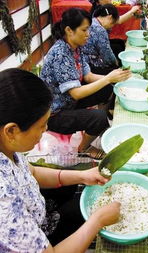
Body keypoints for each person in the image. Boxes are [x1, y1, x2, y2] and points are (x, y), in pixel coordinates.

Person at [0, 68, 121, 253]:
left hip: (41, 215)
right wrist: (98, 221)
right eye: (41, 126)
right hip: (42, 240)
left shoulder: (7, 148)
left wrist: (82, 176)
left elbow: (32, 172)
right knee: (85, 214)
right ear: (11, 131)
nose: (46, 129)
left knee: (77, 194)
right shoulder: (3, 202)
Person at [40, 8, 131, 159]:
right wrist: (108, 78)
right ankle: (84, 148)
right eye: (84, 30)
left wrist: (113, 78)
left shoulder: (76, 47)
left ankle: (94, 128)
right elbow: (76, 93)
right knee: (100, 117)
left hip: (69, 101)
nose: (88, 33)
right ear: (69, 30)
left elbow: (87, 76)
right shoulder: (60, 54)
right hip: (54, 113)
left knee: (107, 88)